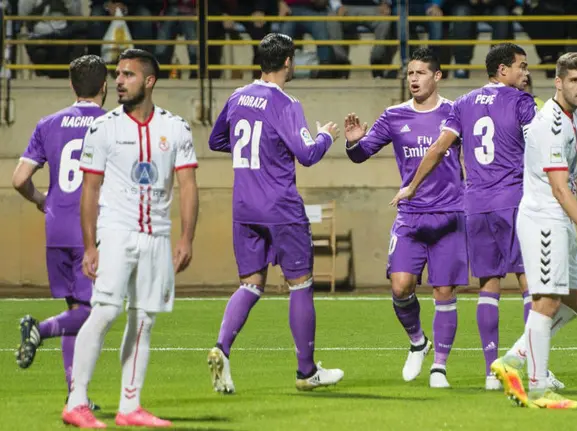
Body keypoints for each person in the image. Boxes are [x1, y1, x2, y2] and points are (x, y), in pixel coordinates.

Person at [390, 43, 561, 391]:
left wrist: (410, 186)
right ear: (502, 70)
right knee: (532, 286)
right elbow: (538, 151)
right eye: (521, 67)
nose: (525, 74)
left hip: (475, 206)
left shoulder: (463, 104)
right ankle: (534, 369)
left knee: (488, 287)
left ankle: (490, 374)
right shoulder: (522, 103)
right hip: (514, 203)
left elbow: (438, 149)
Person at [63, 48, 200, 428]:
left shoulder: (175, 128)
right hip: (116, 230)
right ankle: (76, 401)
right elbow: (89, 190)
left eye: (128, 75)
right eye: (118, 75)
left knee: (143, 320)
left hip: (158, 235)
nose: (119, 81)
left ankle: (130, 406)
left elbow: (188, 186)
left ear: (149, 81)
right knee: (106, 310)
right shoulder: (103, 127)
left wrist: (186, 238)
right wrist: (90, 245)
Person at [207, 33, 344, 394]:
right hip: (280, 205)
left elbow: (216, 140)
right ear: (287, 61)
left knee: (250, 284)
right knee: (300, 283)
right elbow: (308, 154)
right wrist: (327, 136)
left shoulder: (238, 97)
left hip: (244, 206)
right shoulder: (285, 102)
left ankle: (221, 347)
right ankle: (306, 371)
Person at [492, 52, 577, 409]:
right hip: (544, 219)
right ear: (558, 82)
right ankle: (537, 388)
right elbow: (559, 188)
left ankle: (511, 360)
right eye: (574, 80)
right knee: (545, 303)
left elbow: (568, 173)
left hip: (560, 217)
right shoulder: (550, 123)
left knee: (576, 303)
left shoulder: (574, 115)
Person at [344, 48, 465, 388]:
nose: (413, 79)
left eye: (421, 73)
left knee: (444, 290)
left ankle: (439, 367)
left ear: (437, 76)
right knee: (400, 286)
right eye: (410, 73)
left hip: (449, 213)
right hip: (410, 215)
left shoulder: (455, 113)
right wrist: (354, 143)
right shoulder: (394, 116)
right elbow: (361, 154)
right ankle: (418, 342)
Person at [13, 54, 107, 411]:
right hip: (92, 230)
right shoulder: (112, 123)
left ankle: (75, 394)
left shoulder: (48, 123)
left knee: (76, 308)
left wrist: (41, 201)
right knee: (98, 310)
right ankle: (40, 329)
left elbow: (19, 179)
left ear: (71, 85)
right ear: (104, 86)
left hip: (56, 226)